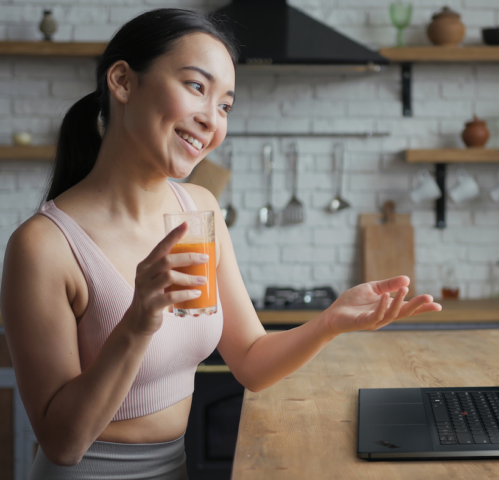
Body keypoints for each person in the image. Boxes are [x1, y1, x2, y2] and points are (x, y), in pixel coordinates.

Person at [0, 9, 440, 479]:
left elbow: (250, 360)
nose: (212, 119)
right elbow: (63, 444)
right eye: (196, 86)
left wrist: (330, 321)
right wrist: (137, 322)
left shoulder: (200, 209)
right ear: (123, 81)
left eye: (226, 105)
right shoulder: (44, 246)